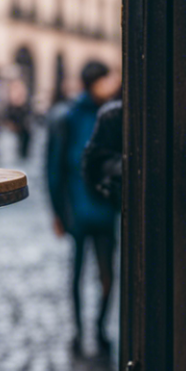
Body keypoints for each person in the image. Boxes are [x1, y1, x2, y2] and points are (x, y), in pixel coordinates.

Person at [46, 61, 121, 355]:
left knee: (107, 273)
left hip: (104, 208)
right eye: (108, 79)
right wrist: (57, 212)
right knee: (77, 273)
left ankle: (100, 328)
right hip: (77, 210)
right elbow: (54, 168)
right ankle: (79, 331)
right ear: (95, 82)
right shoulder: (69, 117)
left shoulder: (113, 113)